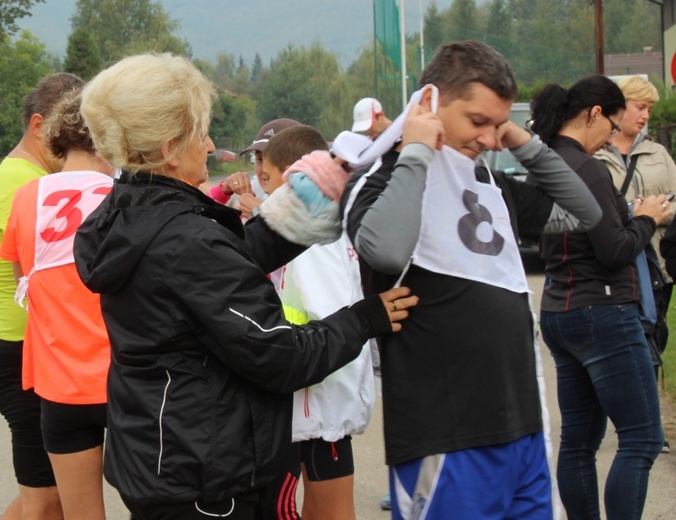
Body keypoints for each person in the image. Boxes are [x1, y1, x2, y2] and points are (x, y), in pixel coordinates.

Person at [72, 52, 418, 520]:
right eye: (202, 133)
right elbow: (281, 356)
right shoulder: (183, 241)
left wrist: (325, 179)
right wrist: (366, 318)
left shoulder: (130, 215)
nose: (212, 144)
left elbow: (233, 259)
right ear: (170, 147)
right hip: (206, 476)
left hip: (162, 454)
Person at [336, 40, 604, 519]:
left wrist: (523, 142)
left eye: (496, 123)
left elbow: (585, 212)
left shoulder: (490, 183)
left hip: (521, 428)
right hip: (447, 434)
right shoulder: (379, 176)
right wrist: (417, 147)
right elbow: (385, 250)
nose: (487, 137)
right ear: (430, 103)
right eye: (477, 121)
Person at [530, 75, 668, 520]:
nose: (612, 137)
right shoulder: (588, 168)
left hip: (559, 308)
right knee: (643, 436)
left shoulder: (548, 160)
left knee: (579, 443)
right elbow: (614, 250)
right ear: (593, 114)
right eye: (611, 126)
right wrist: (645, 218)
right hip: (603, 309)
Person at [0, 89, 114, 520]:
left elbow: (21, 282)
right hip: (124, 379)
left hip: (57, 384)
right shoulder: (121, 196)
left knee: (78, 511)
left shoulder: (27, 196)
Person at [262, 125, 373, 520]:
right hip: (312, 400)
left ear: (297, 174)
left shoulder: (310, 238)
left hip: (315, 404)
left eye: (268, 176)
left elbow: (334, 312)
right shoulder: (319, 227)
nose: (262, 184)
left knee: (329, 511)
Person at [595, 76, 676, 454]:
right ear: (618, 105)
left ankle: (646, 421)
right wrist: (635, 215)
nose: (645, 115)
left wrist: (658, 213)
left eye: (650, 109)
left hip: (656, 264)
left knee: (655, 334)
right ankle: (634, 421)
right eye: (640, 107)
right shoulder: (595, 155)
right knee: (630, 337)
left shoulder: (660, 154)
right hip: (617, 265)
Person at [208, 119, 301, 218]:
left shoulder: (313, 204)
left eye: (274, 160)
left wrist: (259, 213)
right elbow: (201, 223)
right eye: (260, 159)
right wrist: (223, 190)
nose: (265, 169)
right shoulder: (253, 191)